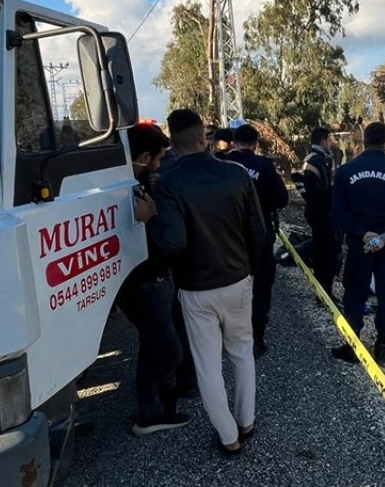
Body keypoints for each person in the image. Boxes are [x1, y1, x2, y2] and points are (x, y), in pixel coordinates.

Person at [135, 109, 269, 456]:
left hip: (195, 289)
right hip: (237, 279)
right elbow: (258, 231)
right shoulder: (236, 174)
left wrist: (150, 220)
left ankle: (228, 437)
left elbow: (172, 242)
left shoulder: (166, 182)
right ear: (202, 136)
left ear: (175, 141)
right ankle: (247, 420)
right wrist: (249, 271)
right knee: (241, 352)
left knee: (207, 364)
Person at [119, 124, 190, 435]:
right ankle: (153, 410)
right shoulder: (130, 193)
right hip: (146, 283)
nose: (161, 165)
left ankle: (149, 408)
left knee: (151, 344)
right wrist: (153, 219)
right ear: (144, 157)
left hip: (149, 281)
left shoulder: (134, 184)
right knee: (168, 350)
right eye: (159, 159)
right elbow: (150, 242)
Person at [330, 122, 385, 365]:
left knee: (354, 293)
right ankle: (382, 344)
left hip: (359, 244)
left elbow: (338, 210)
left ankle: (352, 345)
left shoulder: (346, 171)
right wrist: (383, 236)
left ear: (363, 141)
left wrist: (362, 233)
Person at [224, 123, 289, 357]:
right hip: (259, 234)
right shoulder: (264, 166)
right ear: (255, 144)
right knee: (261, 286)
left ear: (233, 142)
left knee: (228, 284)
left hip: (225, 236)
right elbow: (282, 199)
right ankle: (256, 337)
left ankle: (229, 334)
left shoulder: (219, 164)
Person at [300, 127, 341, 302]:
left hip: (316, 210)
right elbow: (322, 190)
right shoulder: (317, 160)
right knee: (328, 253)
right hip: (322, 213)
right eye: (330, 139)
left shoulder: (313, 158)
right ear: (324, 141)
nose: (332, 143)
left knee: (323, 252)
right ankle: (325, 293)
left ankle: (323, 291)